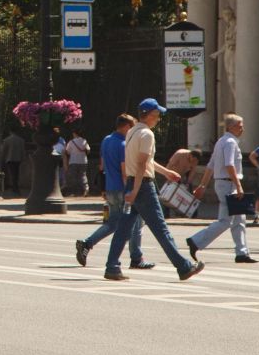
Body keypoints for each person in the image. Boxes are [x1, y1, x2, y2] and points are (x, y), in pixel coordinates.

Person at [103, 98, 202, 282]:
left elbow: (146, 161)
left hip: (133, 184)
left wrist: (166, 172)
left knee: (123, 228)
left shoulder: (132, 131)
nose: (158, 119)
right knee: (161, 229)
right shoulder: (147, 135)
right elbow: (142, 164)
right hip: (143, 187)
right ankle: (184, 267)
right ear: (148, 115)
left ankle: (112, 266)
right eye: (156, 115)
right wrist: (137, 191)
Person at [76, 114, 150, 269]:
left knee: (113, 223)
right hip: (123, 188)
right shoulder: (124, 144)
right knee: (136, 222)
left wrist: (103, 188)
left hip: (110, 187)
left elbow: (102, 166)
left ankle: (87, 243)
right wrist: (131, 190)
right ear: (126, 127)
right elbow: (125, 170)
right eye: (132, 127)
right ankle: (136, 258)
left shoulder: (106, 140)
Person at [187, 112, 256, 264]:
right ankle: (195, 241)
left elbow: (211, 166)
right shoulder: (230, 142)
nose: (242, 129)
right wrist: (238, 186)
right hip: (229, 184)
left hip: (224, 182)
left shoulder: (221, 142)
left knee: (239, 219)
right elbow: (229, 164)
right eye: (240, 126)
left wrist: (202, 185)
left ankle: (242, 253)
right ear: (231, 127)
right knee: (225, 221)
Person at [0, 127, 27, 196]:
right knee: (17, 173)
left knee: (12, 173)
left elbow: (4, 151)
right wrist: (23, 159)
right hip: (18, 159)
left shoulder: (7, 140)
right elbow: (23, 151)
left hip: (10, 159)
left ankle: (14, 187)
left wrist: (2, 158)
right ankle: (15, 187)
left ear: (10, 132)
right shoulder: (21, 140)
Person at [61, 128, 91, 196]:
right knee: (83, 175)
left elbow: (67, 152)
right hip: (83, 161)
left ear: (74, 134)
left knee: (73, 177)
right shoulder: (84, 140)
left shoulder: (71, 142)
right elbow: (88, 150)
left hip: (73, 161)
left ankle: (74, 192)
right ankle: (86, 188)